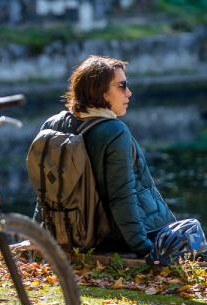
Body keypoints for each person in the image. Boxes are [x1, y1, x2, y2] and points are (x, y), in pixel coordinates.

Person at [34, 54, 178, 258]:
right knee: (191, 232)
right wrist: (144, 248)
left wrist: (37, 234)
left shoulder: (52, 125)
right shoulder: (114, 131)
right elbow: (121, 197)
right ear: (101, 92)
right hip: (118, 238)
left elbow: (47, 191)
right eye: (122, 86)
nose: (129, 92)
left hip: (77, 233)